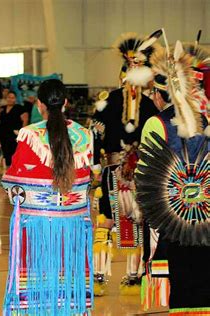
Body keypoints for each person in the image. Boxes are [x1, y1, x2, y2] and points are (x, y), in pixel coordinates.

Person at [2, 79, 93, 315]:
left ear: (39, 104)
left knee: (35, 290)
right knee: (68, 284)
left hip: (36, 229)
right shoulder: (84, 135)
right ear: (65, 102)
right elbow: (87, 178)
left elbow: (14, 182)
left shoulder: (29, 135)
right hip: (72, 228)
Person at [136, 39, 209, 315]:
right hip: (207, 216)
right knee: (204, 277)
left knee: (182, 281)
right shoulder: (206, 118)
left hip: (174, 217)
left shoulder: (156, 123)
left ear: (158, 95)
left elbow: (146, 178)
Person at [91, 31, 161, 295]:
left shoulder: (107, 100)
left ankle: (99, 277)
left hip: (114, 171)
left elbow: (95, 134)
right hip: (141, 172)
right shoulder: (153, 105)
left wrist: (96, 167)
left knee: (107, 220)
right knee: (135, 220)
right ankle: (134, 277)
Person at [0, 91, 28, 167]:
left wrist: (22, 132)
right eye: (9, 97)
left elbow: (25, 120)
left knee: (13, 152)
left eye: (12, 98)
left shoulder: (19, 108)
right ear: (6, 98)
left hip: (14, 134)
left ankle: (13, 168)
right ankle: (6, 168)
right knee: (4, 152)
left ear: (15, 99)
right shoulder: (2, 108)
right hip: (3, 134)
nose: (10, 99)